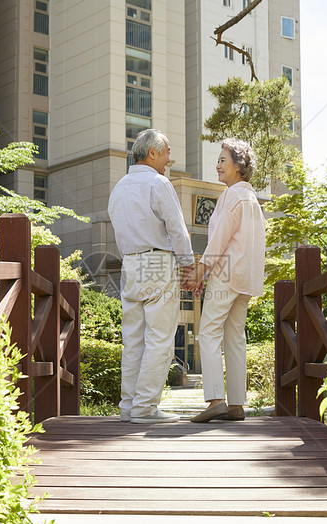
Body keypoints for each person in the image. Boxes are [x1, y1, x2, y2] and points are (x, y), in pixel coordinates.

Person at [108, 128, 195, 424]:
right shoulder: (158, 183)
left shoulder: (119, 186)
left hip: (130, 263)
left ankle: (129, 406)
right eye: (167, 152)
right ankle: (145, 408)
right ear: (153, 153)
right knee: (159, 338)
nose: (170, 159)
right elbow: (177, 228)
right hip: (158, 261)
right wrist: (189, 265)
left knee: (133, 339)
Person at [188, 138, 266, 423]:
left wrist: (201, 270)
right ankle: (236, 404)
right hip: (246, 278)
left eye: (223, 160)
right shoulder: (252, 199)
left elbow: (220, 237)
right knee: (235, 337)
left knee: (208, 332)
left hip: (226, 274)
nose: (217, 165)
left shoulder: (232, 196)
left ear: (239, 166)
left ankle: (216, 400)